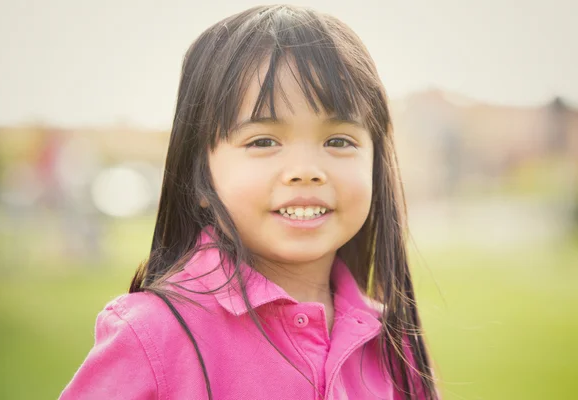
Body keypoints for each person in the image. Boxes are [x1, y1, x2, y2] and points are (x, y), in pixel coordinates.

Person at [60, 5, 439, 399]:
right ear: (200, 178)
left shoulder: (392, 342)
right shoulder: (152, 336)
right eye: (263, 141)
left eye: (338, 141)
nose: (306, 170)